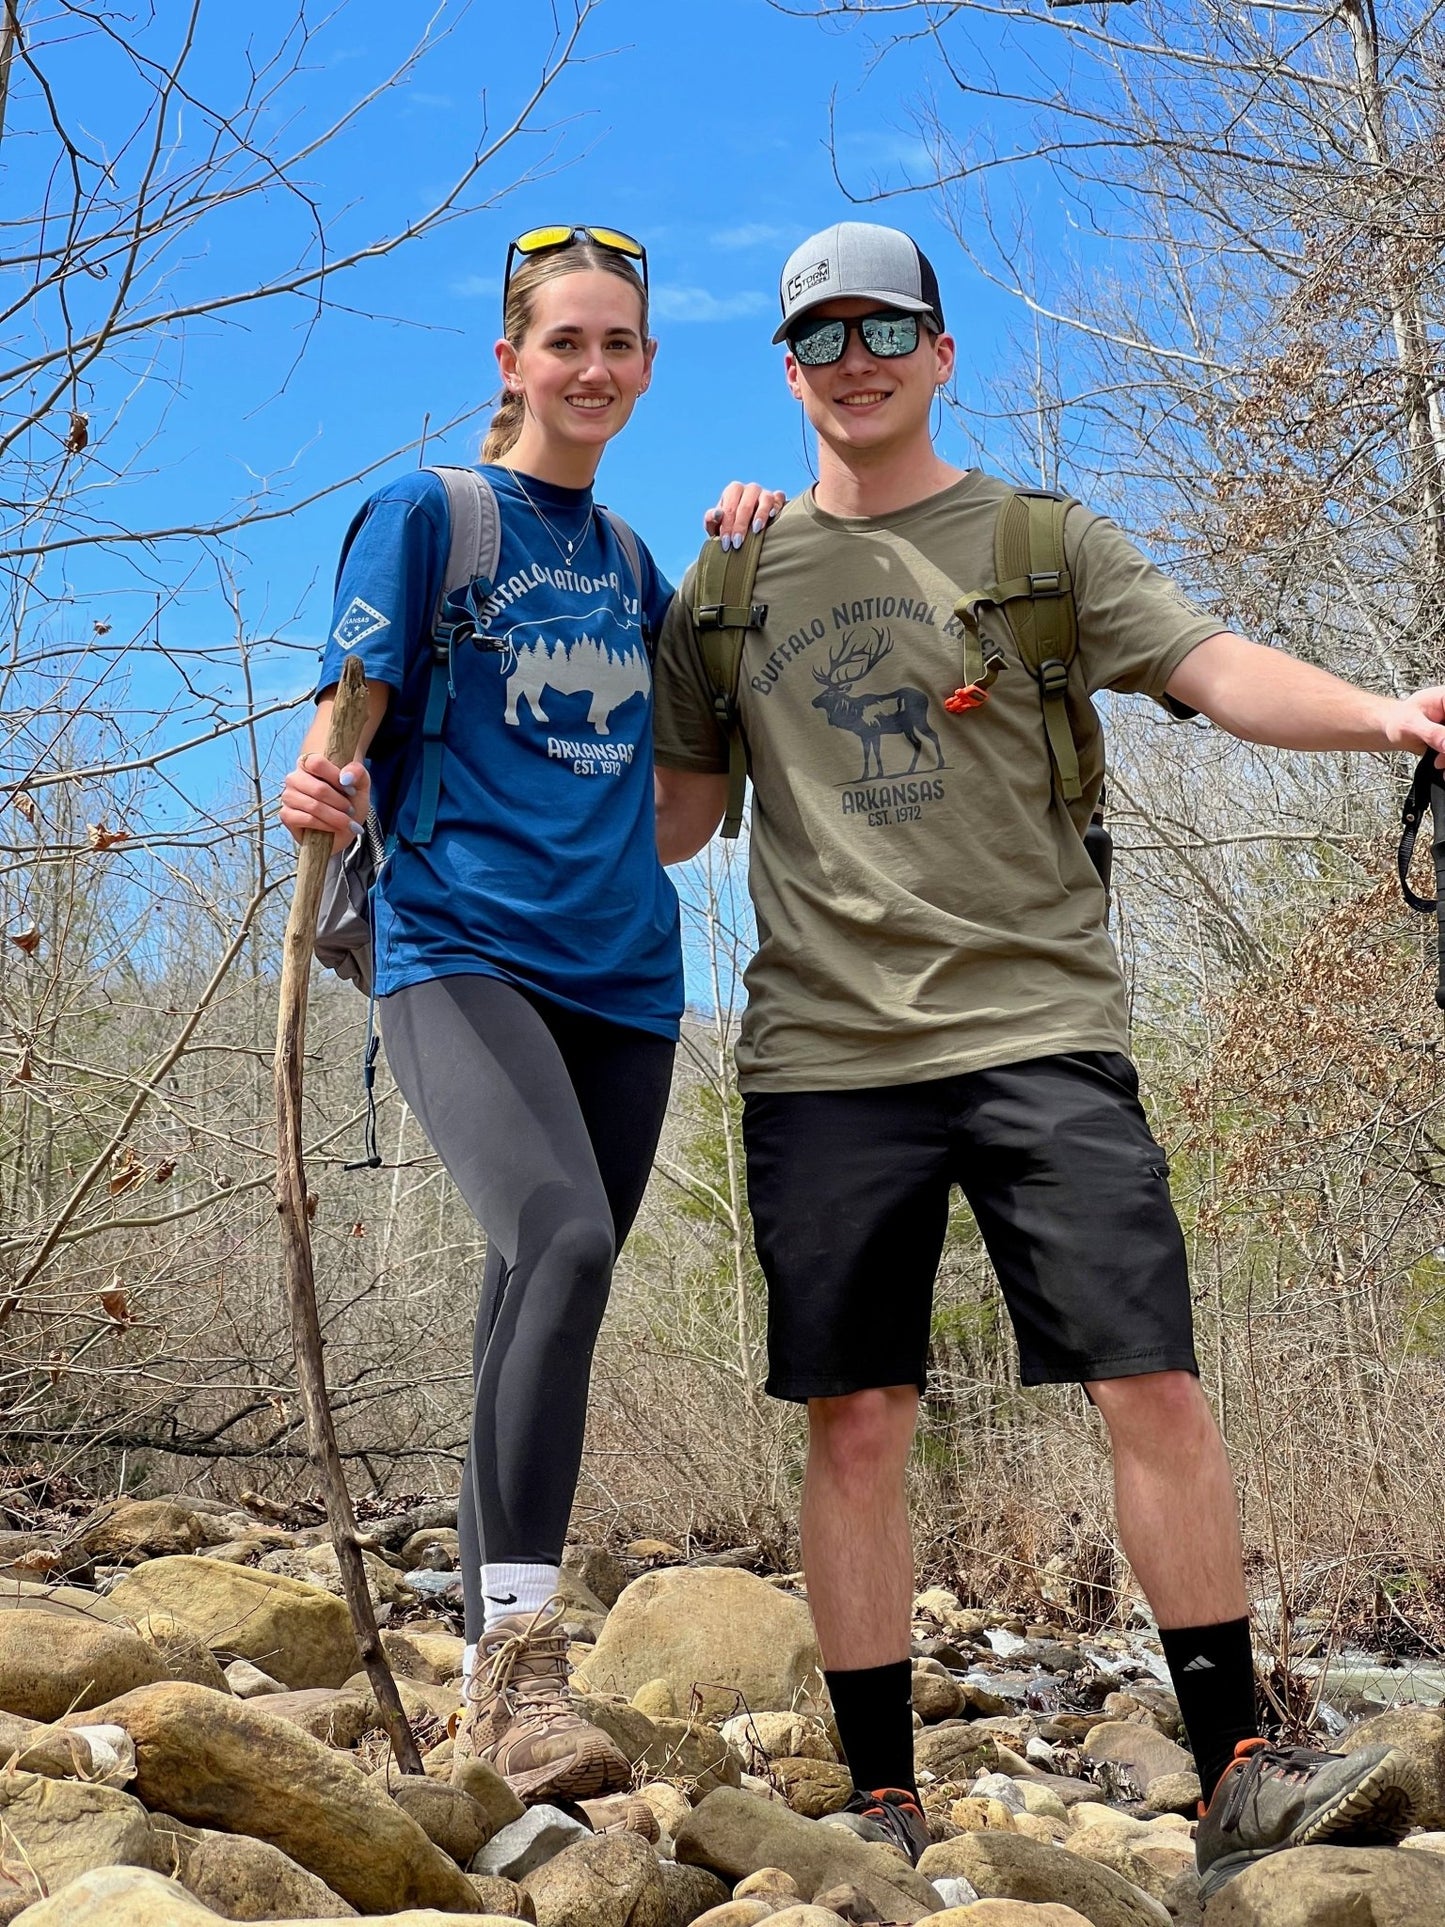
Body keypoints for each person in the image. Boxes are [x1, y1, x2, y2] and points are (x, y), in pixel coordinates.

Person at [651, 220, 1445, 1894]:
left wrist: (1390, 713)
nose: (852, 361)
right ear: (786, 369)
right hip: (823, 1056)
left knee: (1147, 1380)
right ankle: (881, 1797)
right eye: (819, 339)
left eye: (884, 331)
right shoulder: (728, 582)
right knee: (854, 1422)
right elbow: (670, 820)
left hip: (1041, 1034)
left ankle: (1233, 1754)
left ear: (941, 353)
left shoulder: (1038, 544)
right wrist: (468, 790)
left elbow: (1213, 669)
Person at [280, 224, 781, 1805]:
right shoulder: (431, 514)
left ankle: (490, 1687)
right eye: (565, 341)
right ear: (512, 360)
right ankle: (527, 1660)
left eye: (620, 344)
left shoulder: (633, 564)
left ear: (645, 364)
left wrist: (731, 589)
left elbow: (677, 824)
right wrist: (311, 780)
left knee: (537, 1283)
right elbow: (345, 712)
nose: (593, 368)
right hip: (455, 944)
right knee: (558, 1241)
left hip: (627, 976)